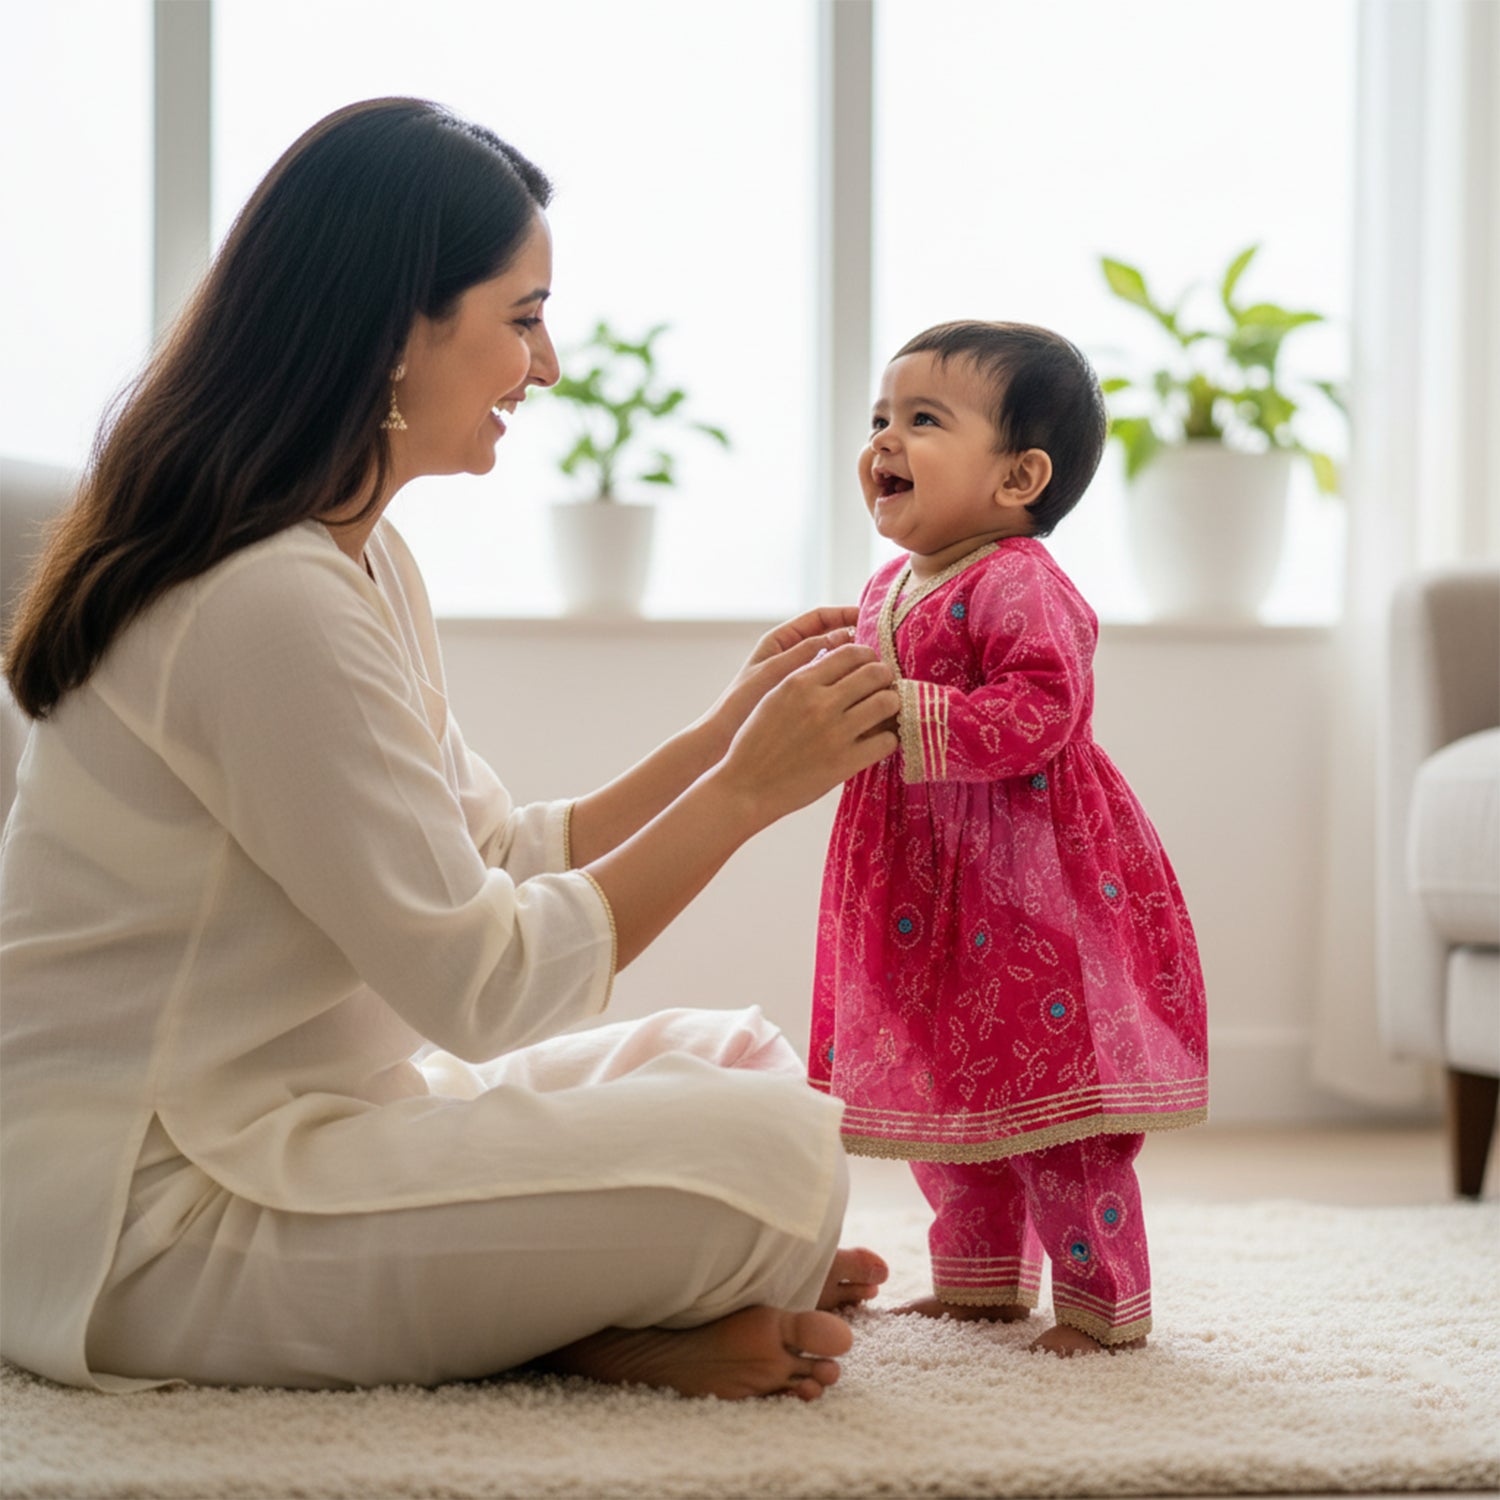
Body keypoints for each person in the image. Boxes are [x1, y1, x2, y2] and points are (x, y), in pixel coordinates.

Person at [0, 97, 900, 1398]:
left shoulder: (354, 558)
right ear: (393, 334)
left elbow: (495, 850)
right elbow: (487, 990)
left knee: (739, 1064)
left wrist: (717, 741)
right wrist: (751, 794)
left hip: (322, 1125)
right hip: (149, 1219)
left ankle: (582, 1310)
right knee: (776, 1159)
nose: (546, 366)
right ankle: (581, 1314)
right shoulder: (264, 598)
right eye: (522, 317)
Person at [808, 321, 1208, 1355]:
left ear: (1019, 475)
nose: (885, 440)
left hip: (1028, 885)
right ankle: (978, 1283)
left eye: (924, 419)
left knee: (1054, 1107)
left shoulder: (1020, 579)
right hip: (922, 882)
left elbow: (1044, 708)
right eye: (880, 419)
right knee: (952, 1088)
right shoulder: (887, 588)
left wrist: (904, 713)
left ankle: (1101, 1304)